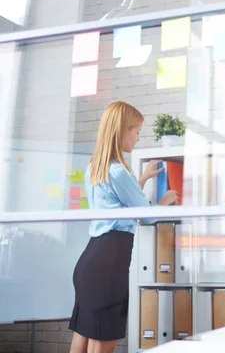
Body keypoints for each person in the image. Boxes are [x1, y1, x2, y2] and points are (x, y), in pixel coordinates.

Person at [69, 101, 179, 353]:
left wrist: (141, 179)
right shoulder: (120, 172)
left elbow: (118, 206)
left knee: (82, 338)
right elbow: (147, 216)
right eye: (137, 131)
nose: (138, 138)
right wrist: (163, 202)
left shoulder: (96, 168)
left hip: (91, 262)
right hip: (109, 265)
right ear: (122, 131)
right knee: (102, 341)